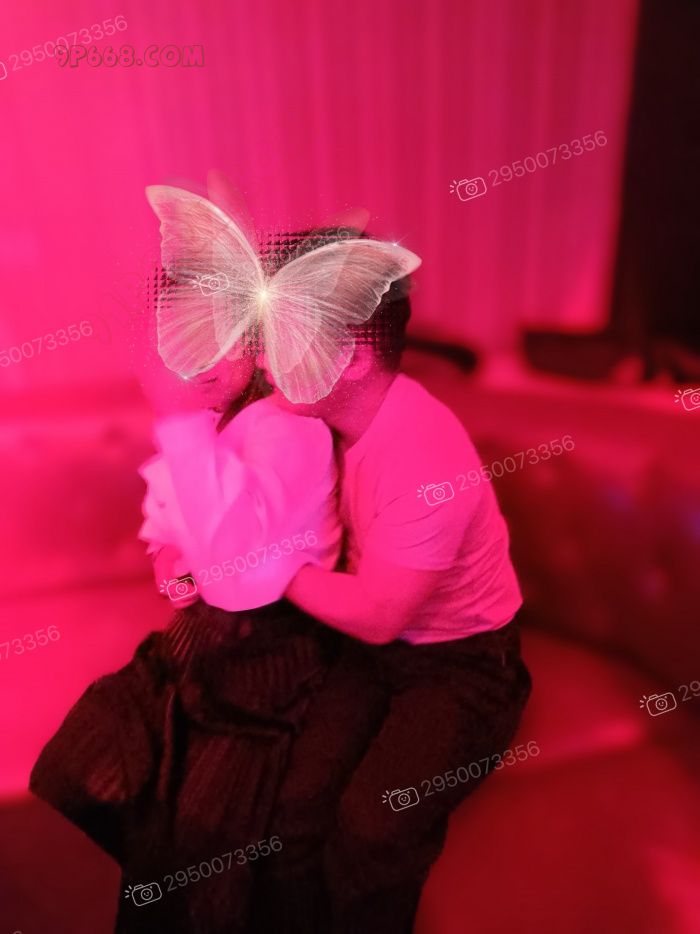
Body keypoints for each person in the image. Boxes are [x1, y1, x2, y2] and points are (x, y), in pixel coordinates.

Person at [250, 229, 533, 934]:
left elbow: (378, 615)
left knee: (371, 827)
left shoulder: (422, 456)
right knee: (290, 805)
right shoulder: (326, 409)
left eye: (281, 338)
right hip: (375, 649)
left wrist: (266, 563)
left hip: (463, 665)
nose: (262, 357)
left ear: (350, 358)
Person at [30, 318, 344, 934]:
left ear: (254, 346)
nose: (201, 361)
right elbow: (171, 549)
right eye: (184, 346)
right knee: (70, 772)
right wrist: (174, 568)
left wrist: (180, 426)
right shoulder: (210, 423)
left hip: (270, 659)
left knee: (199, 853)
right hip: (193, 642)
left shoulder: (289, 429)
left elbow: (240, 570)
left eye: (220, 342)